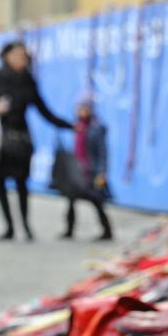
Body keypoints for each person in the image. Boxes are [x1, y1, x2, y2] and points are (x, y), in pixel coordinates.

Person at [0, 41, 73, 241]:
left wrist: (68, 125)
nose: (20, 60)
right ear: (6, 56)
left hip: (22, 138)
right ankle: (8, 226)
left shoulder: (27, 81)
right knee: (0, 182)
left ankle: (25, 225)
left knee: (21, 182)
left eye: (23, 57)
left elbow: (43, 110)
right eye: (16, 56)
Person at [59, 98, 113, 241]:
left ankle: (107, 230)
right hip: (77, 170)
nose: (81, 110)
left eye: (84, 108)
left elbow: (102, 152)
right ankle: (69, 229)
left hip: (90, 171)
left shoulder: (97, 128)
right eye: (79, 107)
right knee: (71, 199)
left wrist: (102, 172)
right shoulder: (78, 127)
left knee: (96, 201)